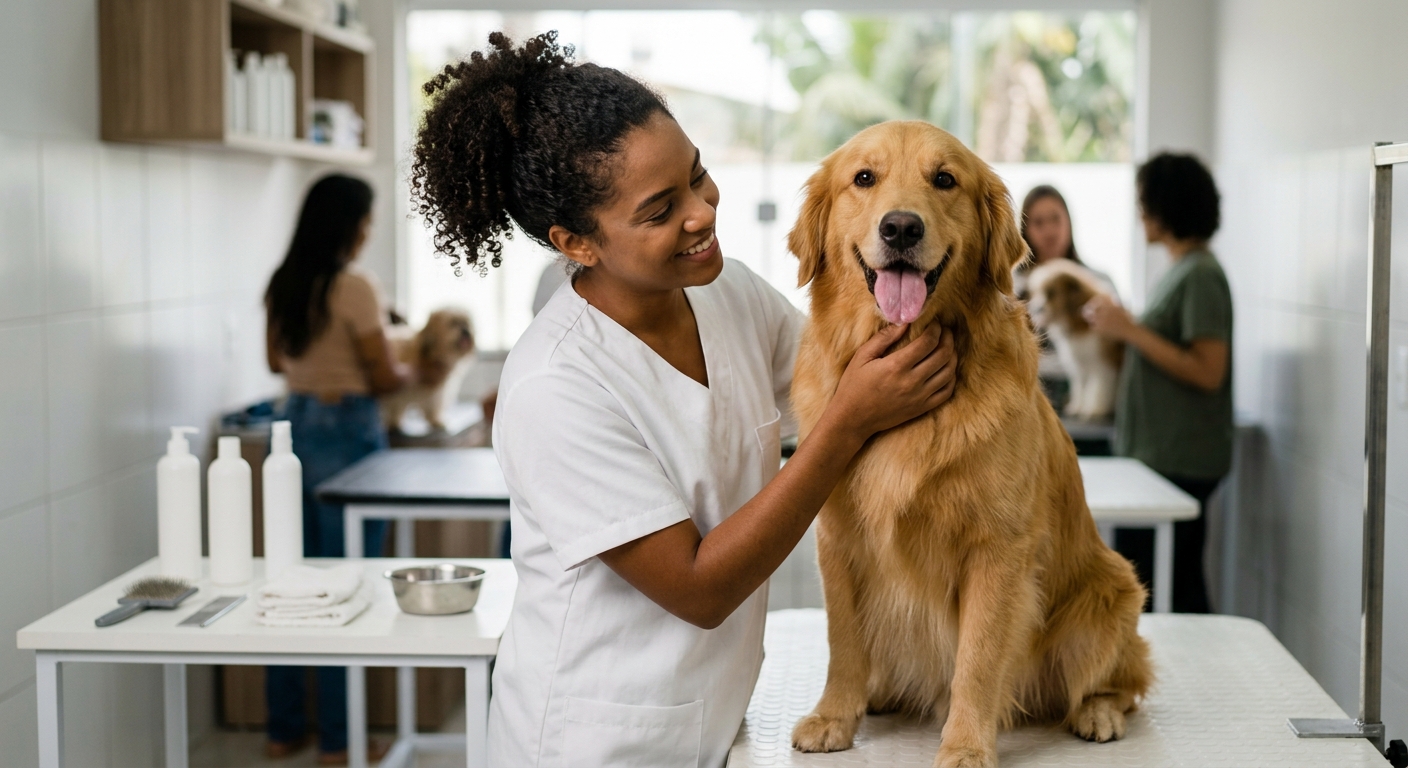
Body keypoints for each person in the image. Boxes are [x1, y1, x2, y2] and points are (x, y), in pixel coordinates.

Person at [409, 32, 957, 767]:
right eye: (661, 209)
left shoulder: (725, 293)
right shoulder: (555, 387)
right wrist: (848, 422)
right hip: (591, 741)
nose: (702, 214)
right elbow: (698, 586)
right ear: (577, 243)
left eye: (698, 177)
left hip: (708, 721)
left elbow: (859, 376)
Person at [263, 174, 415, 764]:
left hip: (292, 429)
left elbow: (274, 358)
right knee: (345, 585)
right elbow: (381, 376)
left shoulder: (285, 283)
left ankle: (282, 730)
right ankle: (339, 741)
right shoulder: (355, 286)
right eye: (368, 220)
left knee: (286, 582)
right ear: (350, 225)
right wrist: (413, 368)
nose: (368, 230)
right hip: (348, 431)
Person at [1084, 152, 1232, 614]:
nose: (1138, 213)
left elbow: (1208, 371)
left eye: (1144, 201)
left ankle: (1184, 677)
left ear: (1167, 206)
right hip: (1163, 454)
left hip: (1180, 458)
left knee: (1173, 583)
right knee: (1170, 578)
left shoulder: (1202, 276)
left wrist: (1129, 329)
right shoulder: (1183, 271)